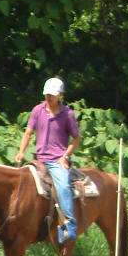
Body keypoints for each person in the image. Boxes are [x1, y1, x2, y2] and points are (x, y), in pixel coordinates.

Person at [14, 76, 81, 243]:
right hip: (39, 159)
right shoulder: (38, 110)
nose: (49, 97)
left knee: (63, 186)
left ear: (60, 95)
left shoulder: (67, 114)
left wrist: (65, 157)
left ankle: (69, 225)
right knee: (17, 182)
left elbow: (76, 138)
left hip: (57, 160)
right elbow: (28, 133)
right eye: (47, 94)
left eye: (52, 95)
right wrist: (21, 152)